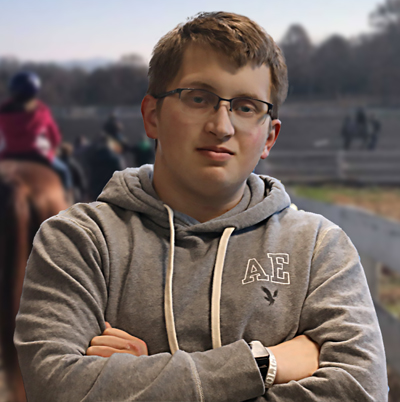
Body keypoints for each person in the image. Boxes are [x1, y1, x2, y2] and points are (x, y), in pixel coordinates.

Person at [15, 12, 388, 402]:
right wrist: (265, 364)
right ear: (152, 115)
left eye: (246, 106)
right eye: (199, 98)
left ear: (269, 138)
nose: (222, 126)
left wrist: (144, 377)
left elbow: (362, 392)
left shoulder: (319, 248)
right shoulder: (77, 241)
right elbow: (57, 388)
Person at [0, 71, 72, 192]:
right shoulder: (42, 111)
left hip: (8, 155)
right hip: (36, 155)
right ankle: (70, 200)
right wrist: (53, 149)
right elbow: (54, 137)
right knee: (64, 171)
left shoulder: (2, 111)